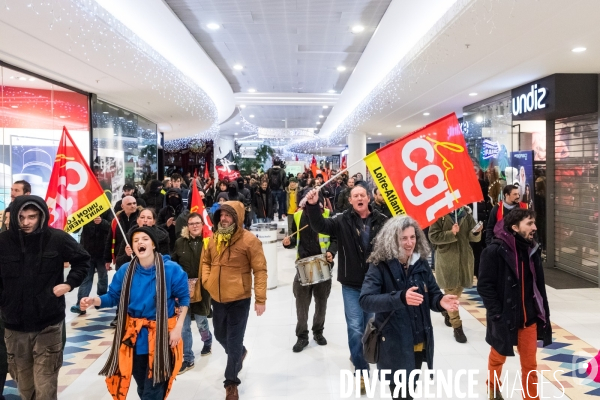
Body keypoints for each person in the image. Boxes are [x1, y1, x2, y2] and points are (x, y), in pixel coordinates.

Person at [80, 226, 190, 399]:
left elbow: (184, 300)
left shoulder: (172, 270)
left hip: (162, 337)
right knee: (141, 386)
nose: (140, 242)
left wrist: (178, 328)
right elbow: (113, 297)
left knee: (152, 391)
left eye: (145, 239)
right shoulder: (125, 271)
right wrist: (95, 301)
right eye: (136, 240)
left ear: (153, 244)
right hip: (135, 338)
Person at [360, 216, 460, 400]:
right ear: (392, 239)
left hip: (418, 341)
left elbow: (433, 294)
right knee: (401, 394)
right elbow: (366, 300)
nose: (409, 243)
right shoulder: (380, 265)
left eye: (412, 237)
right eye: (403, 238)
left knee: (410, 390)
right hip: (393, 343)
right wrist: (400, 297)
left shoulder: (420, 263)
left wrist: (440, 301)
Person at [0, 195, 90, 399]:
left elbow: (83, 259)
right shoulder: (3, 242)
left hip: (48, 324)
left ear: (41, 216)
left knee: (45, 385)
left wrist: (69, 284)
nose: (26, 222)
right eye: (21, 217)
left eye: (31, 217)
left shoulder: (56, 238)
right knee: (25, 387)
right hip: (15, 327)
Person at [304, 182, 387, 392]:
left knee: (369, 327)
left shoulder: (382, 221)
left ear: (368, 198)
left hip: (374, 285)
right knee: (354, 327)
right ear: (350, 200)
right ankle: (361, 370)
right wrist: (313, 206)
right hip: (350, 284)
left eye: (362, 195)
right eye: (355, 195)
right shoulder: (341, 220)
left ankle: (359, 354)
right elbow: (320, 226)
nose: (359, 198)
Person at [478, 209, 552, 400]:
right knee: (497, 357)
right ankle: (493, 388)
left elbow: (538, 286)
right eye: (529, 223)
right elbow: (485, 286)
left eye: (534, 223)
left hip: (529, 319)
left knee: (530, 366)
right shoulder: (494, 251)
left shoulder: (532, 250)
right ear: (514, 227)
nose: (534, 227)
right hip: (504, 318)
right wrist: (496, 314)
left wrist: (543, 312)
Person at [201, 201, 267, 400]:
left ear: (237, 217)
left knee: (234, 340)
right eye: (221, 215)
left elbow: (260, 270)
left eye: (228, 215)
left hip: (240, 298)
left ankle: (231, 382)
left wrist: (260, 298)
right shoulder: (212, 239)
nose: (223, 218)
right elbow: (205, 261)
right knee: (220, 334)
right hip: (218, 298)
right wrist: (207, 281)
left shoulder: (249, 241)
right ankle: (239, 353)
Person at [283, 197, 337, 353]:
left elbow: (335, 238)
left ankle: (318, 332)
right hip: (304, 264)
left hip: (322, 263)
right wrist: (288, 242)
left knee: (321, 301)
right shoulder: (299, 216)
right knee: (302, 303)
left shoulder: (328, 214)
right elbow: (295, 239)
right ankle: (302, 336)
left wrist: (331, 252)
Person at [428, 206, 482, 343]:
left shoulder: (465, 214)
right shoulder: (439, 214)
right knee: (451, 293)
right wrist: (451, 233)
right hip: (447, 260)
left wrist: (476, 232)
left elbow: (473, 238)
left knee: (457, 290)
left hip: (464, 259)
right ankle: (457, 327)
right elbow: (433, 237)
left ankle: (445, 309)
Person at [171, 213, 213, 374]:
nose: (194, 226)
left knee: (202, 321)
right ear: (187, 226)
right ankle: (188, 358)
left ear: (202, 224)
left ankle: (207, 340)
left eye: (197, 223)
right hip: (183, 290)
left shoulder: (209, 242)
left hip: (202, 289)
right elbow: (173, 263)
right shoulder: (180, 243)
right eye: (191, 223)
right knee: (184, 326)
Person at [70, 210, 112, 315]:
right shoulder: (85, 209)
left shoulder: (106, 208)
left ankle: (102, 299)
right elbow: (75, 229)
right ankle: (81, 304)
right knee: (86, 278)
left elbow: (112, 226)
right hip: (87, 251)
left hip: (102, 251)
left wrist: (102, 222)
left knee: (102, 276)